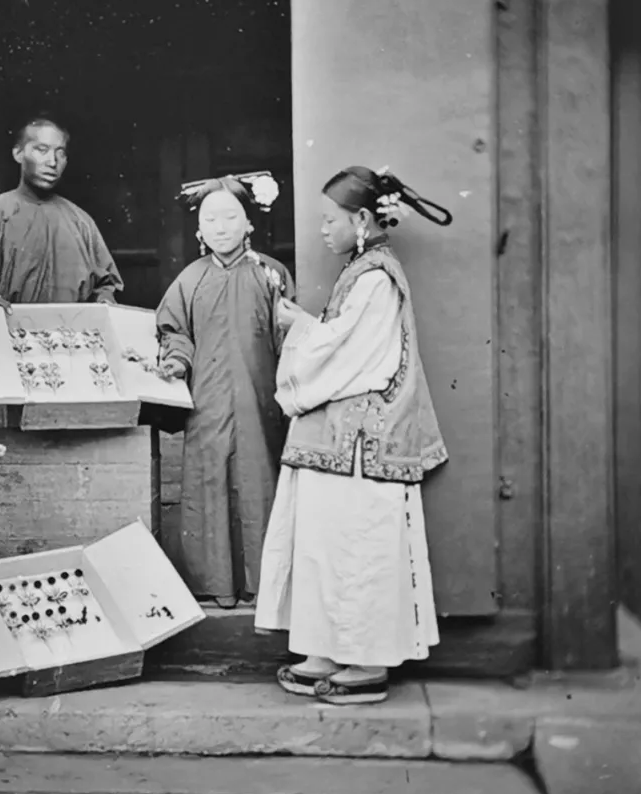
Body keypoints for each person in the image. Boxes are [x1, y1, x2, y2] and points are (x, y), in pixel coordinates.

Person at [255, 165, 453, 705]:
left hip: (364, 439)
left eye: (331, 219)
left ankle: (366, 662)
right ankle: (323, 649)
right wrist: (310, 328)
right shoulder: (360, 273)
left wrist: (300, 327)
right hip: (336, 436)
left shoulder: (376, 278)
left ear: (362, 219)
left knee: (361, 549)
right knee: (323, 545)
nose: (323, 229)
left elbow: (344, 354)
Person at [155, 173, 294, 608]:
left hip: (259, 401)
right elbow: (174, 332)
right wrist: (177, 360)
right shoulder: (189, 280)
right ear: (198, 230)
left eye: (230, 217)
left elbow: (290, 339)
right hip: (209, 403)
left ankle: (263, 584)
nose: (220, 227)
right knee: (208, 484)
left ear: (248, 222)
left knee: (259, 481)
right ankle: (216, 585)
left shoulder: (271, 274)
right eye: (210, 219)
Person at [0, 116, 124, 309]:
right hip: (6, 325)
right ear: (18, 153)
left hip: (71, 327)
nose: (52, 162)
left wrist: (104, 300)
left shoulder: (81, 223)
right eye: (42, 150)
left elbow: (106, 286)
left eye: (60, 153)